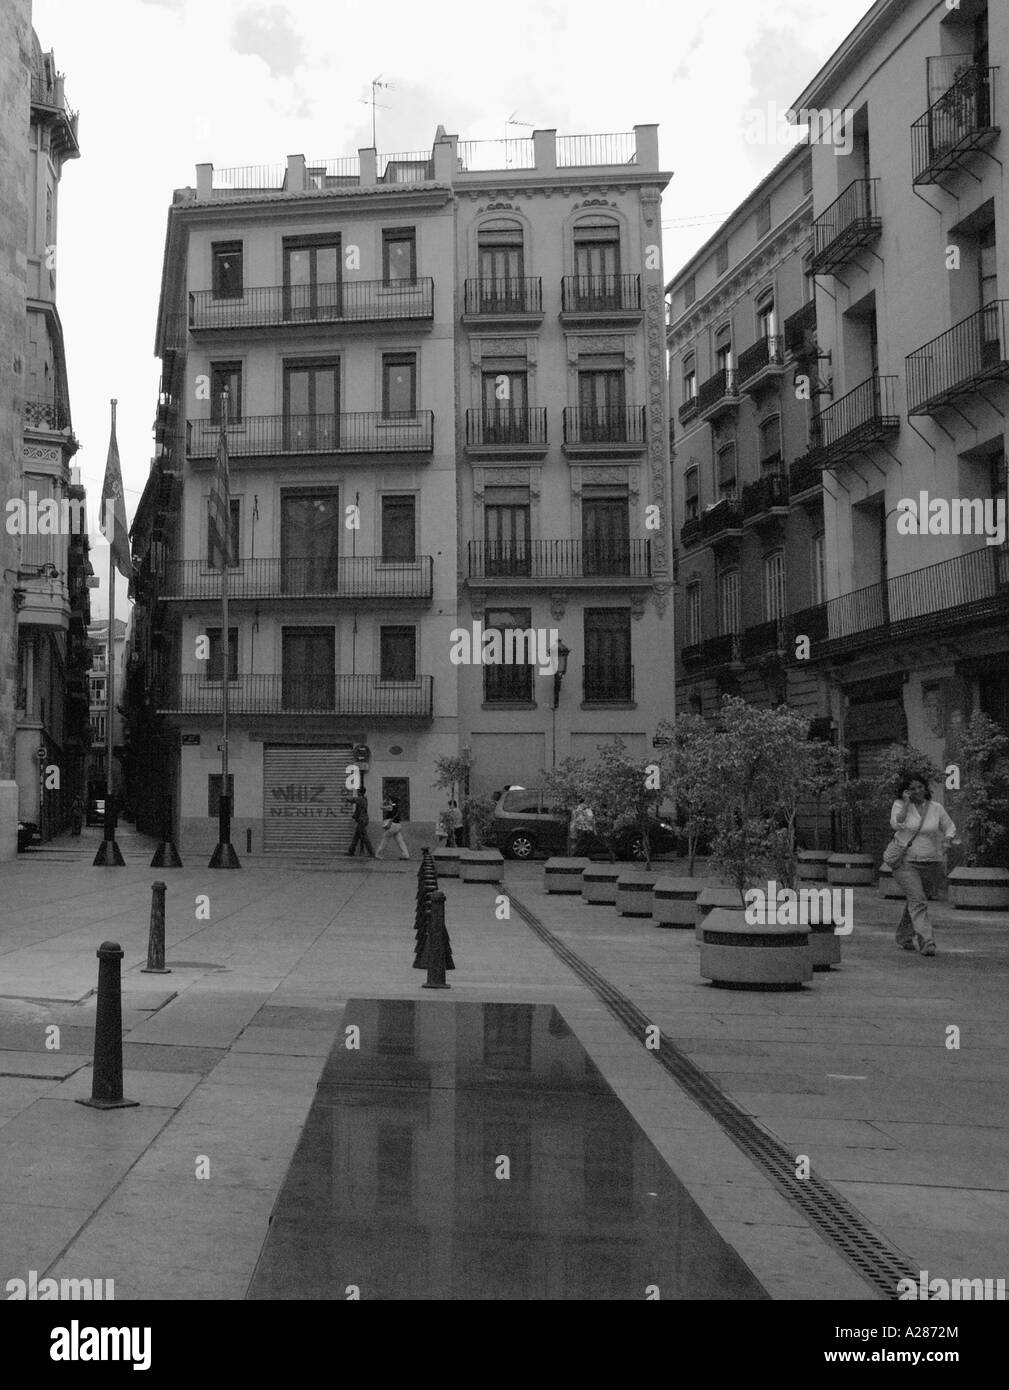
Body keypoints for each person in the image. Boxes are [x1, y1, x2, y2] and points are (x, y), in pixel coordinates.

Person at [890, 775, 956, 957]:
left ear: (925, 788)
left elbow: (949, 827)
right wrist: (904, 803)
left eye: (920, 787)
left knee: (916, 900)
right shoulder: (900, 805)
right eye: (912, 788)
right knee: (918, 900)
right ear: (906, 791)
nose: (917, 791)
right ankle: (927, 941)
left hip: (931, 862)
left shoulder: (936, 808)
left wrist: (947, 841)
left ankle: (904, 935)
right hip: (905, 862)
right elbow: (897, 824)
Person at [375, 792, 410, 860]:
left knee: (385, 840)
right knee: (400, 841)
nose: (389, 801)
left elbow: (381, 807)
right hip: (398, 826)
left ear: (392, 801)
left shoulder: (390, 807)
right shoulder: (397, 806)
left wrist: (384, 801)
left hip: (392, 826)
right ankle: (406, 855)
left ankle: (378, 854)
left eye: (390, 800)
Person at [347, 788, 374, 858]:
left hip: (362, 821)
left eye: (358, 792)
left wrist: (345, 797)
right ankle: (351, 851)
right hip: (362, 820)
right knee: (356, 836)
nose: (357, 793)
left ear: (360, 792)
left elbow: (351, 799)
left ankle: (371, 852)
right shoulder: (363, 799)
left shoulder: (361, 799)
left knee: (364, 838)